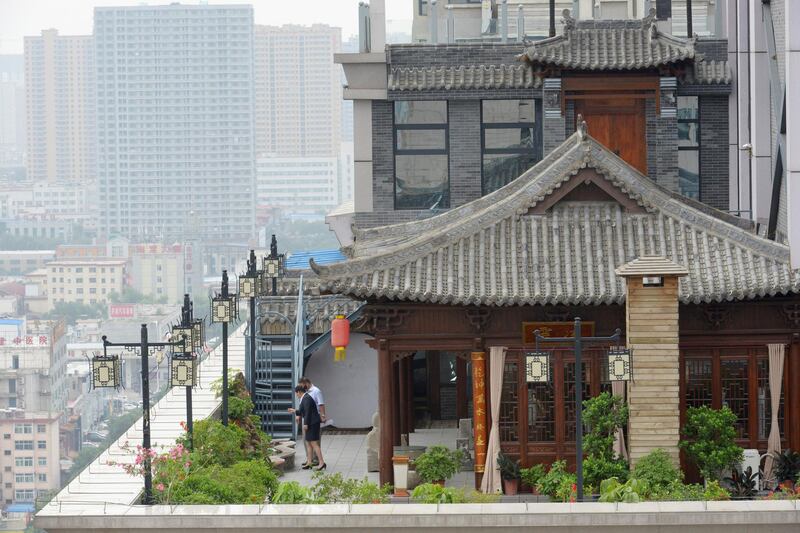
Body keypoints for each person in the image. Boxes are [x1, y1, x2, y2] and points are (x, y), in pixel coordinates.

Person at [290, 385, 325, 471]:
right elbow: (302, 411)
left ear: (299, 392)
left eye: (296, 394)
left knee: (314, 443)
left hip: (312, 423)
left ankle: (321, 462)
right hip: (311, 422)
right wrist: (295, 411)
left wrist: (305, 424)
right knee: (308, 443)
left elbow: (308, 412)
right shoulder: (305, 398)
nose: (296, 395)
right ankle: (309, 462)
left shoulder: (306, 398)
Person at [299, 376, 325, 465]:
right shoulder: (305, 393)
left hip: (314, 419)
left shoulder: (316, 391)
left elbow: (321, 404)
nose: (301, 387)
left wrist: (323, 416)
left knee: (315, 441)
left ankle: (317, 460)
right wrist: (298, 415)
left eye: (302, 385)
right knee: (306, 441)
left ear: (306, 383)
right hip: (305, 418)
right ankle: (309, 459)